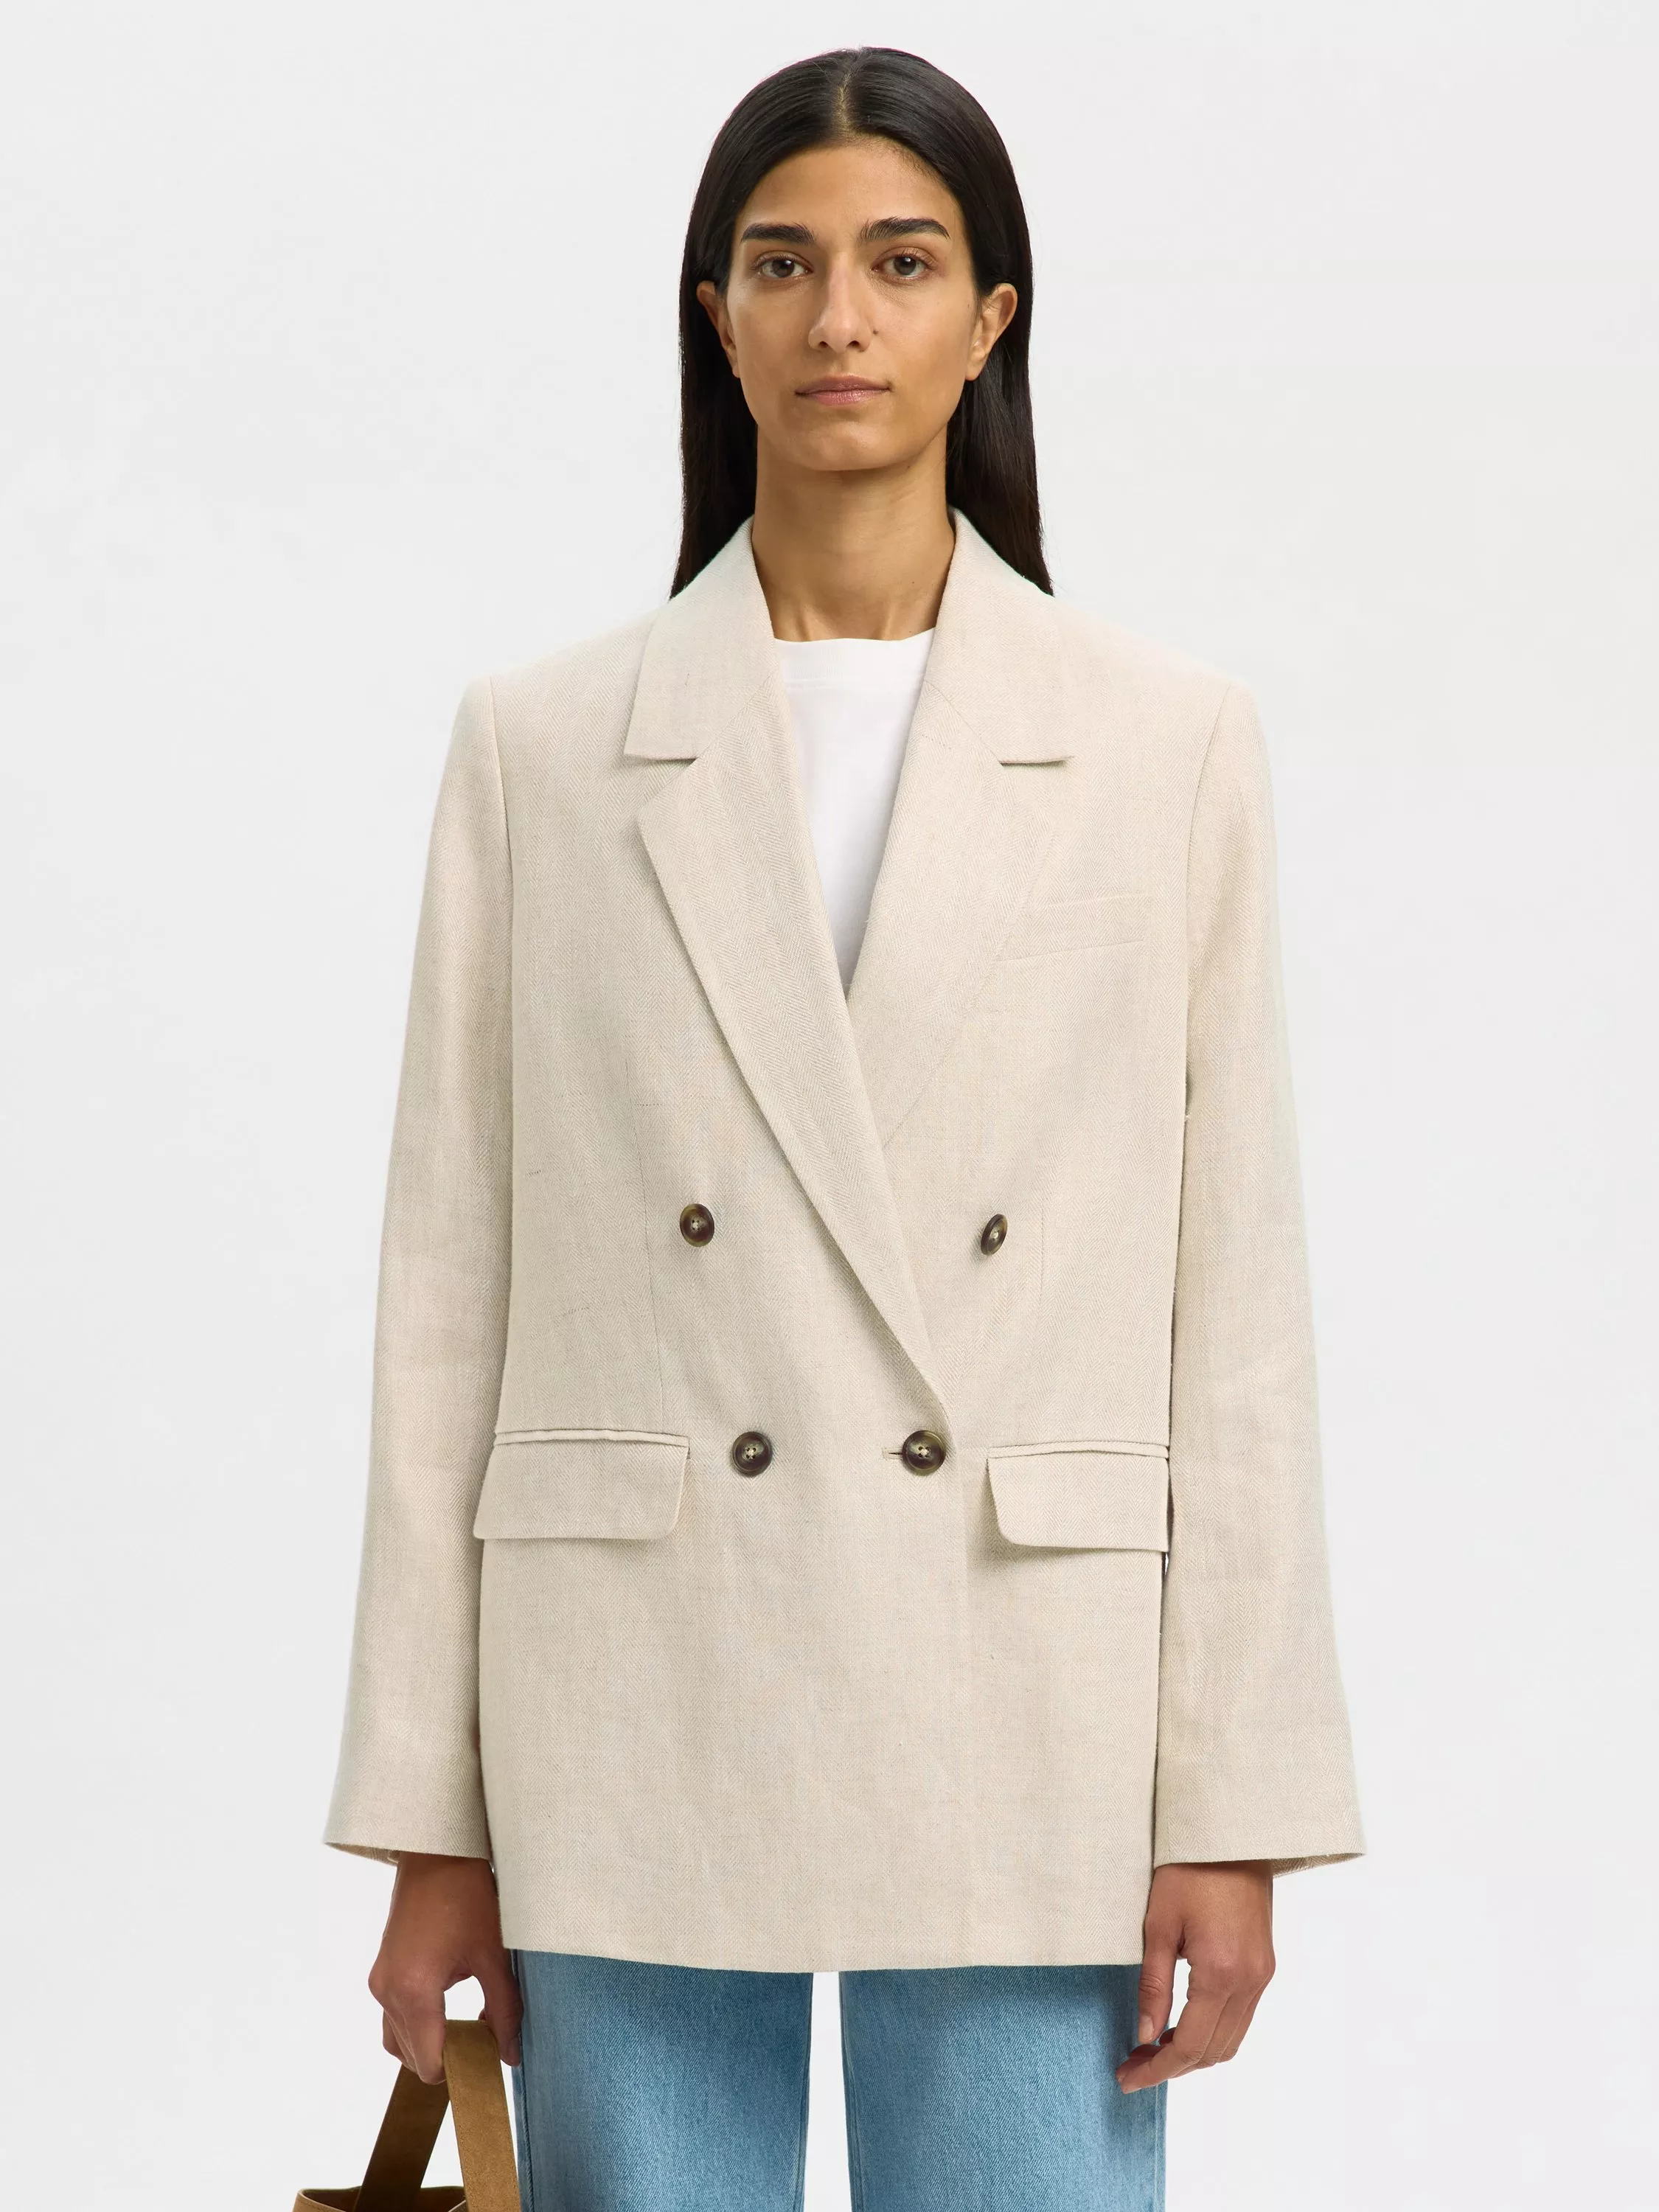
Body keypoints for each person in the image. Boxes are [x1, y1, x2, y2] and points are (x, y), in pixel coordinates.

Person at [322, 45, 1366, 2212]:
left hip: (1029, 1679)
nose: (840, 320)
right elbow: (449, 1302)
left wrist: (1236, 1804)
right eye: (783, 265)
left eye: (904, 263)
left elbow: (1234, 1305)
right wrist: (431, 1817)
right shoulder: (542, 749)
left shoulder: (1167, 747)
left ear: (993, 320)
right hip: (635, 1680)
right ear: (716, 315)